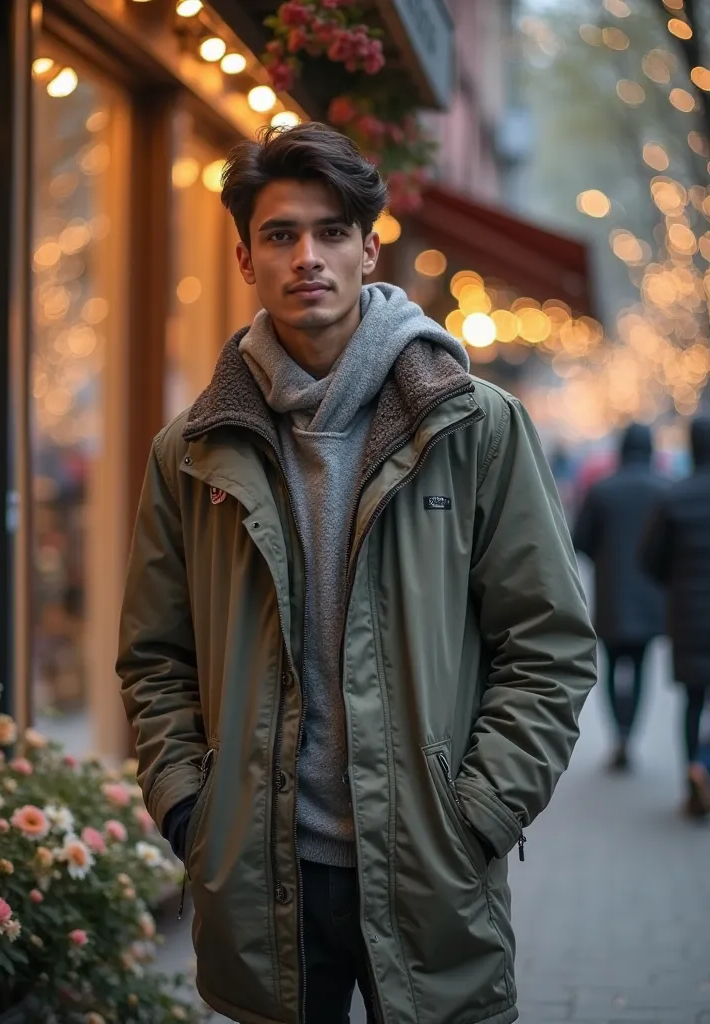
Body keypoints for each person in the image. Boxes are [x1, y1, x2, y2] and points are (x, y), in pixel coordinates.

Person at [117, 122, 597, 1024]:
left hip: (430, 863)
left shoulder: (473, 427)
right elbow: (153, 655)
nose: (309, 256)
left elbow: (550, 643)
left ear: (370, 249)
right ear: (244, 257)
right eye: (281, 233)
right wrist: (192, 810)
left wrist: (482, 813)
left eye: (333, 231)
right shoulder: (188, 451)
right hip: (259, 874)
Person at [573, 424, 667, 770]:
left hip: (611, 596)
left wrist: (605, 558)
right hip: (648, 598)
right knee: (640, 665)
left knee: (612, 668)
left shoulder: (602, 491)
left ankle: (619, 735)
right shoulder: (664, 489)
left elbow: (579, 540)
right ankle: (631, 735)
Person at [641, 416, 710, 819]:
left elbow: (648, 558)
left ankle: (692, 773)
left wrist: (676, 581)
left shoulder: (673, 497)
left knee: (693, 700)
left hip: (688, 616)